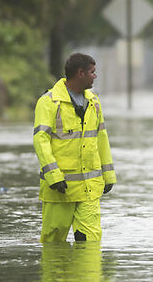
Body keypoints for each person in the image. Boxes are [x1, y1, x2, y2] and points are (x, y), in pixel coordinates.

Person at [33, 53, 117, 243]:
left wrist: (108, 175)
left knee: (90, 241)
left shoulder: (94, 101)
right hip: (61, 189)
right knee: (53, 241)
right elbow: (41, 140)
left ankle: (87, 273)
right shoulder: (48, 102)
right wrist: (53, 176)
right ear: (80, 73)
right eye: (92, 72)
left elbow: (101, 138)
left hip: (90, 189)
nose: (95, 76)